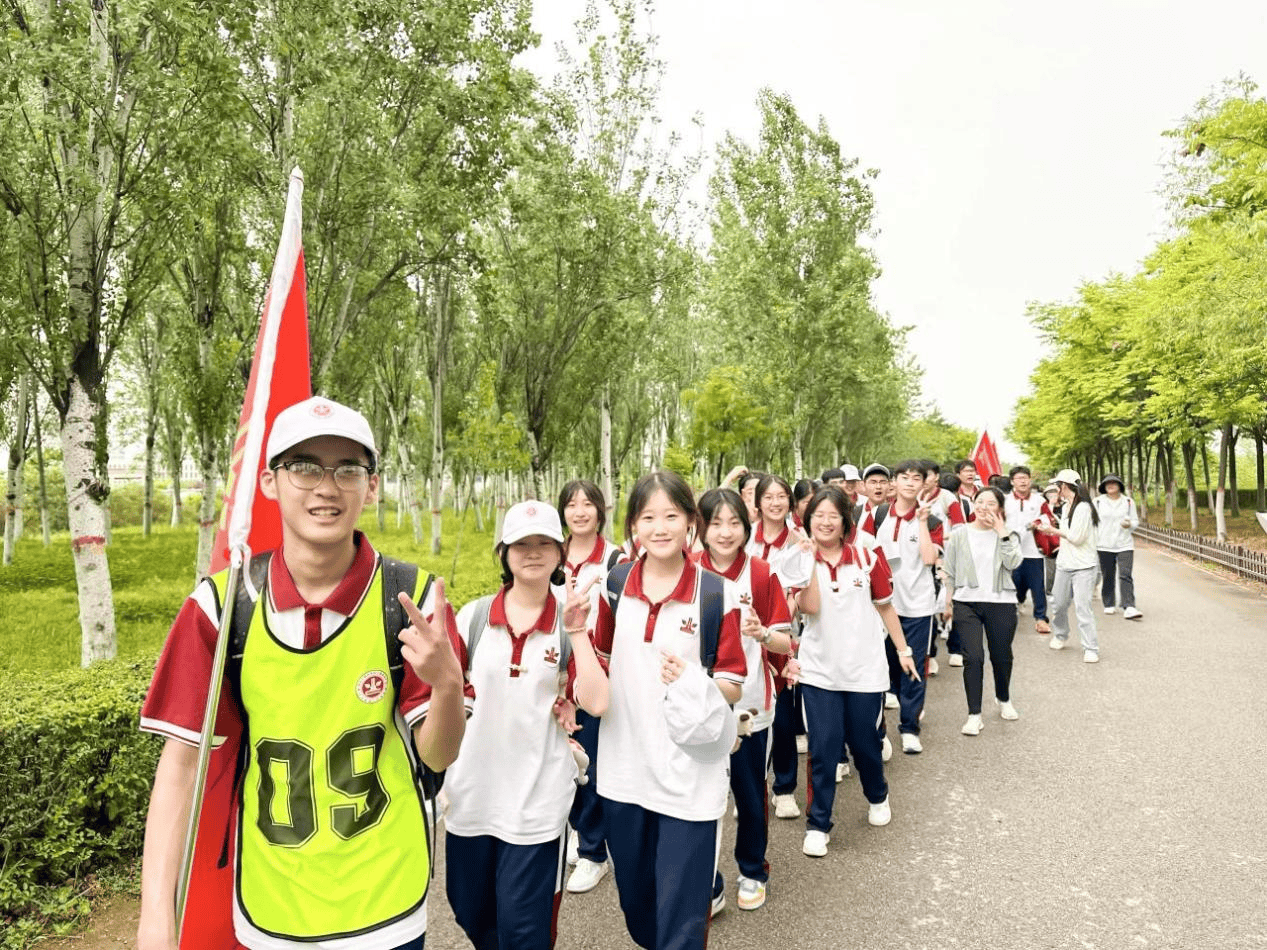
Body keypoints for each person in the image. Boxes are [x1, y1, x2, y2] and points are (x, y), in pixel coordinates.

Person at [137, 397, 469, 950]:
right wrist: (156, 920)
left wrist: (447, 683)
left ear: (373, 485)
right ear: (269, 482)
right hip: (272, 908)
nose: (326, 486)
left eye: (348, 469)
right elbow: (181, 768)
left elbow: (438, 755)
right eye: (305, 466)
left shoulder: (412, 598)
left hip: (386, 903)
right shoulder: (221, 607)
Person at [591, 471, 747, 948]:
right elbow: (596, 666)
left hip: (690, 777)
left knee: (680, 923)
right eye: (648, 517)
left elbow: (733, 684)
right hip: (624, 772)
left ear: (690, 524)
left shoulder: (718, 594)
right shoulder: (613, 586)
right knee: (638, 907)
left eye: (671, 516)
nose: (660, 528)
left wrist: (693, 682)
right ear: (633, 526)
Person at [447, 501, 610, 949]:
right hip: (473, 796)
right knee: (468, 908)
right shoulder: (474, 618)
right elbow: (445, 693)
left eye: (544, 543)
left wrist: (577, 632)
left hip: (538, 803)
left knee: (525, 929)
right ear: (504, 552)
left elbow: (596, 702)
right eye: (521, 543)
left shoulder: (569, 621)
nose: (532, 552)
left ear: (561, 553)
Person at [786, 486, 919, 858]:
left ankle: (877, 794)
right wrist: (808, 561)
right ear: (807, 520)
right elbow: (804, 608)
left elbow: (885, 606)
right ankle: (818, 824)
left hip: (864, 670)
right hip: (818, 672)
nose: (825, 522)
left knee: (864, 745)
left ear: (846, 522)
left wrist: (903, 651)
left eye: (833, 516)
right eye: (818, 516)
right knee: (824, 748)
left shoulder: (867, 555)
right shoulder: (798, 559)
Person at [695, 488, 794, 912]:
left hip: (751, 705)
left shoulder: (761, 574)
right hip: (698, 707)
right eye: (715, 523)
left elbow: (787, 643)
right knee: (699, 795)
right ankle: (707, 881)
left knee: (749, 792)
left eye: (733, 522)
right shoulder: (687, 572)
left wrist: (762, 635)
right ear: (699, 528)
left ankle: (752, 869)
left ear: (746, 527)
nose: (724, 532)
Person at [873, 460, 943, 754]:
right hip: (881, 604)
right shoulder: (878, 514)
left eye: (917, 478)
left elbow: (929, 559)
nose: (911, 482)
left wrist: (924, 523)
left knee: (914, 663)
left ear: (924, 483)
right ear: (895, 482)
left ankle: (910, 727)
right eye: (904, 477)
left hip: (918, 605)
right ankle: (877, 730)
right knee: (881, 666)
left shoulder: (934, 521)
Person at [940, 486, 1023, 736]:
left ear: (999, 509)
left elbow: (1014, 563)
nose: (983, 507)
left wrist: (1002, 533)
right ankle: (974, 714)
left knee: (1001, 656)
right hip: (967, 603)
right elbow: (950, 570)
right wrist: (948, 601)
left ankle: (1003, 697)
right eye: (979, 501)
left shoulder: (1009, 534)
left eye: (990, 503)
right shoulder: (959, 534)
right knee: (973, 657)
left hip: (1002, 603)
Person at [1037, 469, 1101, 662]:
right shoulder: (1066, 507)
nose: (1057, 490)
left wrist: (1053, 530)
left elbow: (1077, 538)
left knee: (1083, 608)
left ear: (1064, 486)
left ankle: (1091, 648)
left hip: (1084, 566)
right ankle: (1061, 635)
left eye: (1057, 486)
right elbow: (1067, 533)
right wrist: (1052, 530)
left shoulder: (1083, 508)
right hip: (1065, 564)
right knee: (1059, 603)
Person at [1004, 465, 1056, 634]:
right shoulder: (1004, 500)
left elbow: (1049, 519)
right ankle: (1017, 603)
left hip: (1034, 551)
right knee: (1016, 584)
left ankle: (1041, 618)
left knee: (1038, 586)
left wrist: (1039, 525)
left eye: (1025, 478)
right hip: (1011, 551)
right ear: (1012, 481)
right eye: (1019, 478)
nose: (1023, 481)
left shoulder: (1039, 500)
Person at [1094, 474, 1141, 620]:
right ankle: (1109, 603)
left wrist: (1130, 525)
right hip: (1104, 545)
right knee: (1108, 575)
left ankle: (1129, 606)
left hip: (1124, 544)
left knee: (1125, 574)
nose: (1111, 485)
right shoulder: (1097, 502)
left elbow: (1135, 521)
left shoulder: (1128, 502)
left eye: (1114, 483)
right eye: (1107, 483)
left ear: (1119, 485)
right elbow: (1092, 522)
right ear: (1104, 486)